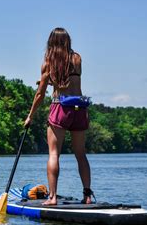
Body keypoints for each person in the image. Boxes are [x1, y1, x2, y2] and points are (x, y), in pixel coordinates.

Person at [24, 27, 94, 205]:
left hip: (60, 107)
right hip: (79, 107)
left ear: (51, 42)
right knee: (81, 154)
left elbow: (40, 94)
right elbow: (70, 81)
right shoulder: (77, 58)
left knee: (54, 154)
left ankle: (53, 197)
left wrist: (30, 116)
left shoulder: (48, 62)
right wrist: (48, 82)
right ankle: (87, 196)